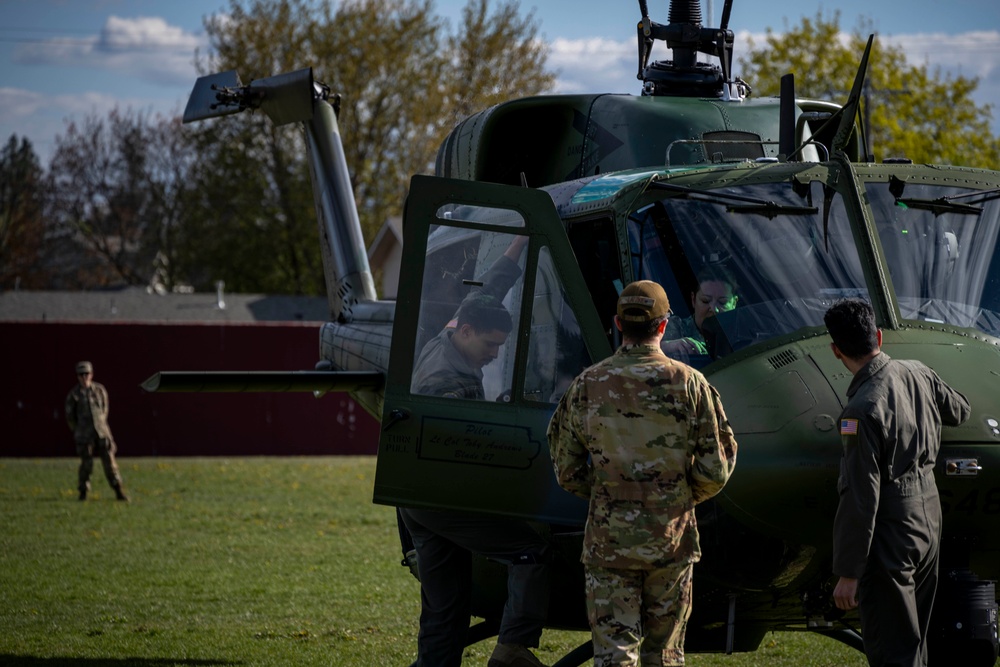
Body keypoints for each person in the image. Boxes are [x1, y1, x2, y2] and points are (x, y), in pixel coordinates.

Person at [547, 280, 738, 667]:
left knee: (615, 655)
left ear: (618, 323)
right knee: (664, 656)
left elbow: (566, 470)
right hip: (671, 540)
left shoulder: (587, 385)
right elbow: (716, 469)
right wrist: (674, 496)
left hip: (609, 541)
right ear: (664, 325)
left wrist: (611, 492)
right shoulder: (692, 385)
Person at [402, 293, 552, 667]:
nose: (495, 355)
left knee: (445, 611)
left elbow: (484, 291)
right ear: (466, 331)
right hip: (443, 499)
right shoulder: (444, 383)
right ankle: (512, 648)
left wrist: (516, 247)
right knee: (531, 552)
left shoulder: (447, 336)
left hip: (415, 498)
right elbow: (461, 445)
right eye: (490, 345)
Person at [824, 298, 970, 667]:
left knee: (894, 648)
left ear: (835, 350)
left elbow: (861, 496)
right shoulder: (918, 372)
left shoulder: (858, 412)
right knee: (916, 639)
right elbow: (960, 410)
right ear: (878, 336)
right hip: (928, 519)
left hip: (891, 533)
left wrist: (848, 571)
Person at [65, 361, 128, 501]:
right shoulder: (74, 395)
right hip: (84, 435)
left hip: (102, 433)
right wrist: (79, 431)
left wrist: (102, 427)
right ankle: (83, 492)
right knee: (87, 465)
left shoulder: (99, 390)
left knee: (110, 463)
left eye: (86, 374)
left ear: (91, 374)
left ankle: (118, 490)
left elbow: (104, 410)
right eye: (81, 374)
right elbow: (70, 417)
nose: (84, 377)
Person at [660, 266, 738, 361]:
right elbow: (640, 349)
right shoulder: (676, 328)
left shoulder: (745, 333)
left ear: (734, 303)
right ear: (693, 300)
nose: (714, 309)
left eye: (722, 302)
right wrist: (666, 346)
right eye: (706, 301)